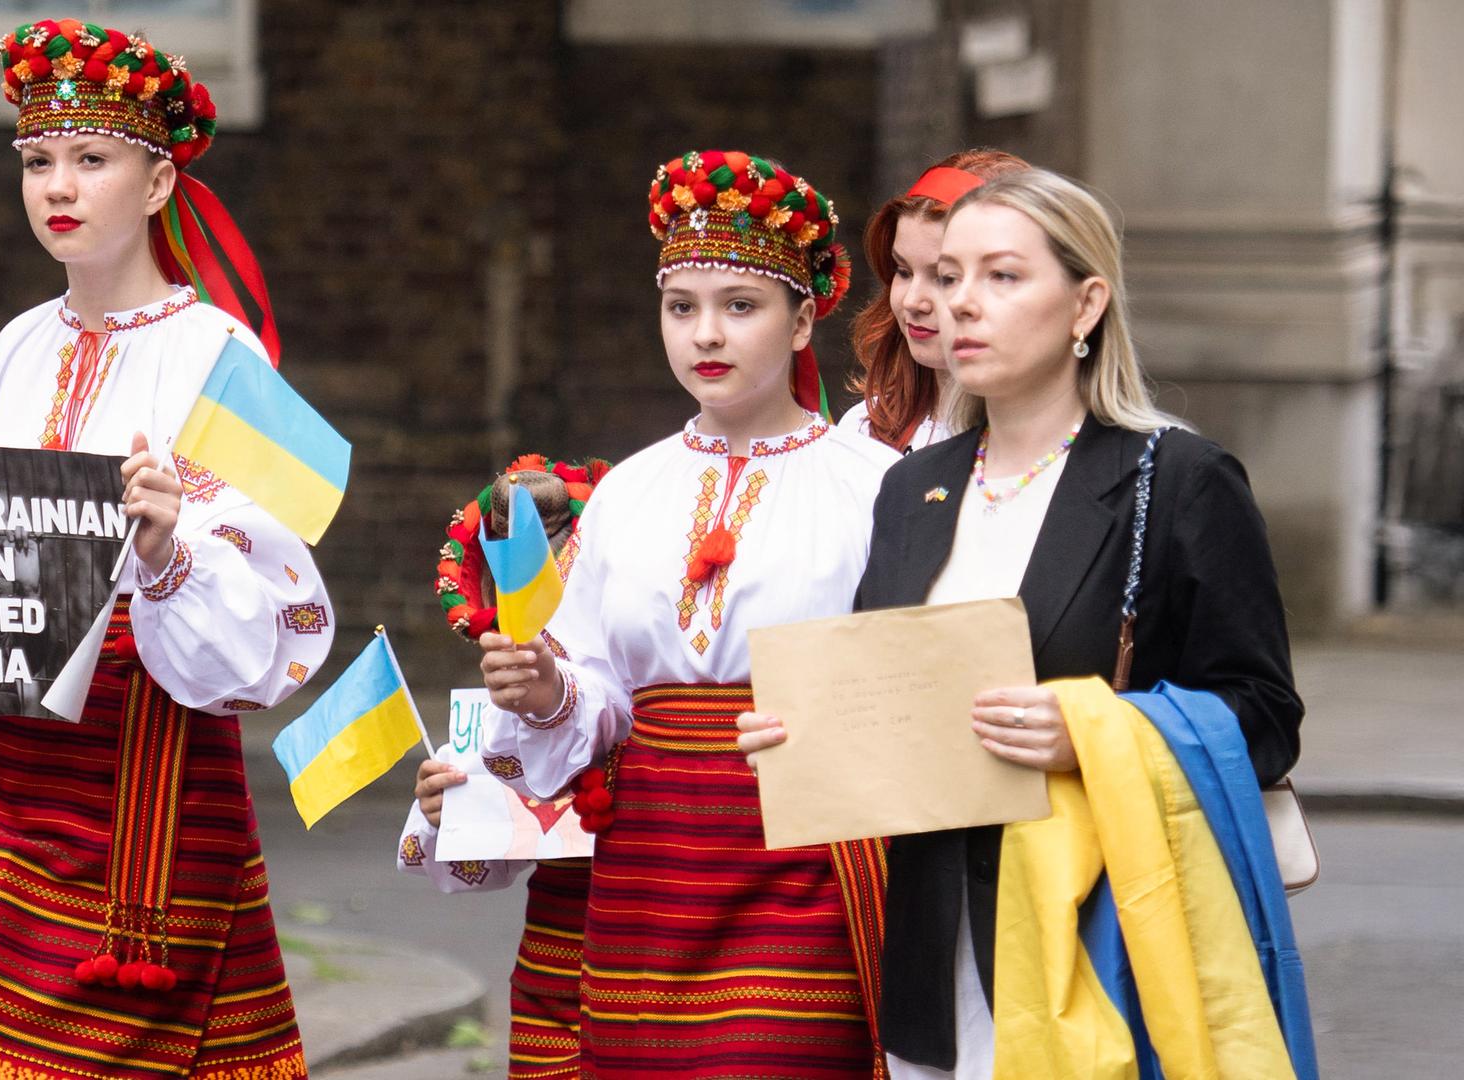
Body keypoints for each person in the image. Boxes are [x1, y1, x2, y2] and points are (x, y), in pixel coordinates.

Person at [0, 18, 332, 1078]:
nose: (61, 184)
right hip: (16, 759)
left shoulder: (227, 356)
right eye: (41, 160)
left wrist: (171, 546)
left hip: (151, 763)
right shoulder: (20, 340)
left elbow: (286, 608)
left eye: (93, 159)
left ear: (157, 182)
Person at [738, 168, 1304, 1077]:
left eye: (1001, 277)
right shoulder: (912, 490)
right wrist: (805, 738)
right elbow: (889, 703)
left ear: (1085, 304)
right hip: (931, 954)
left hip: (1099, 939)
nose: (960, 303)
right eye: (949, 275)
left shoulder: (1181, 480)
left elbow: (1267, 719)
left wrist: (1092, 729)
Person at [476, 150, 896, 1078]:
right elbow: (600, 691)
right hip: (650, 870)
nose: (706, 332)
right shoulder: (630, 490)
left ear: (802, 319)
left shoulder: (876, 488)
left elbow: (911, 689)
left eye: (740, 305)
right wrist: (548, 688)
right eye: (682, 306)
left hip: (806, 856)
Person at [399, 455, 608, 1079]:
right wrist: (442, 812)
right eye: (510, 587)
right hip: (555, 959)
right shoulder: (497, 709)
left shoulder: (645, 675)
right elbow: (480, 867)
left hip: (657, 933)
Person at [840, 149, 1029, 453]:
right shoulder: (863, 429)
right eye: (902, 271)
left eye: (944, 277)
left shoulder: (1054, 443)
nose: (913, 301)